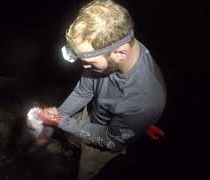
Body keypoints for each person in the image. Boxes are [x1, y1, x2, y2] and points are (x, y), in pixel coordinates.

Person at [37, 0, 167, 180]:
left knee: (85, 169)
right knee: (72, 134)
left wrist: (62, 121)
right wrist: (57, 117)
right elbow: (84, 91)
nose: (84, 66)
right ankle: (70, 150)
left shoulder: (144, 100)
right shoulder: (111, 44)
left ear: (120, 53)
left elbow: (111, 140)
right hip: (93, 112)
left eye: (89, 62)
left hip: (106, 139)